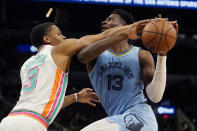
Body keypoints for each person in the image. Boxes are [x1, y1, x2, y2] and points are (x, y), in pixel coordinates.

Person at [0, 20, 149, 131]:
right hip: (31, 124)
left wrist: (76, 97)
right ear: (47, 39)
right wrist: (127, 30)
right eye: (59, 33)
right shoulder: (57, 50)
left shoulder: (26, 65)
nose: (64, 37)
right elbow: (96, 38)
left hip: (10, 120)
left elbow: (46, 102)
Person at [77, 9, 178, 131]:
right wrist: (123, 33)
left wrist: (162, 55)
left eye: (110, 19)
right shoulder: (96, 55)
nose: (104, 21)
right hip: (117, 119)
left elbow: (155, 96)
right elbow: (82, 57)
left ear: (124, 26)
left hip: (139, 118)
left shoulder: (141, 55)